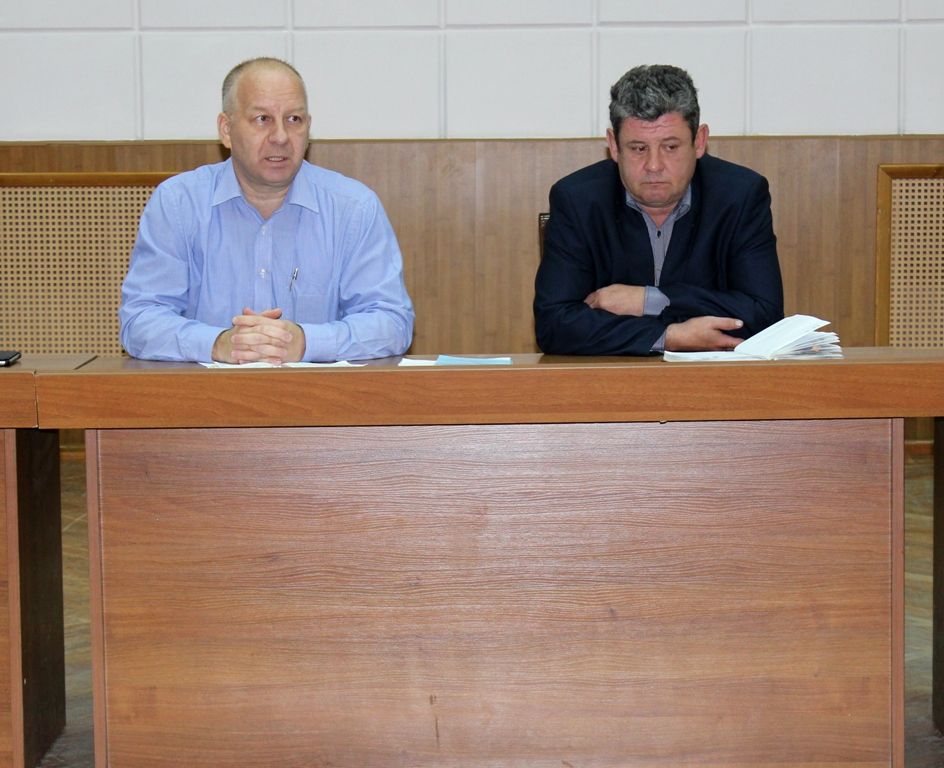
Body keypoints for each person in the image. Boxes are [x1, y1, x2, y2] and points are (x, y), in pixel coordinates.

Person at [120, 57, 414, 364]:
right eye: (262, 119)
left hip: (318, 393)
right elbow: (140, 321)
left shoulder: (353, 208)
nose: (281, 137)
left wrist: (304, 341)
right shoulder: (178, 204)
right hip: (204, 393)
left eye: (294, 119)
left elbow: (392, 322)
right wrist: (219, 344)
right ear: (226, 130)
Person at [534, 64, 783, 356]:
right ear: (614, 145)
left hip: (714, 379)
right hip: (611, 380)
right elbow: (554, 324)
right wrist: (670, 336)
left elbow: (765, 314)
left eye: (670, 147)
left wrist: (650, 300)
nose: (654, 165)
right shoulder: (578, 200)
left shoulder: (740, 196)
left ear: (699, 141)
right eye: (638, 148)